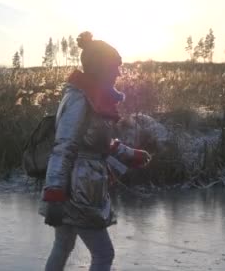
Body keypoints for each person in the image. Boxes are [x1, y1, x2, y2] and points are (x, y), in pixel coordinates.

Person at [40, 31, 152, 271]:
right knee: (103, 254)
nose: (118, 73)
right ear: (100, 68)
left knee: (63, 245)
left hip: (82, 183)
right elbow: (63, 146)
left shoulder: (92, 99)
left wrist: (129, 154)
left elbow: (96, 143)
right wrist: (55, 194)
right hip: (79, 188)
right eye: (114, 68)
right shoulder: (80, 99)